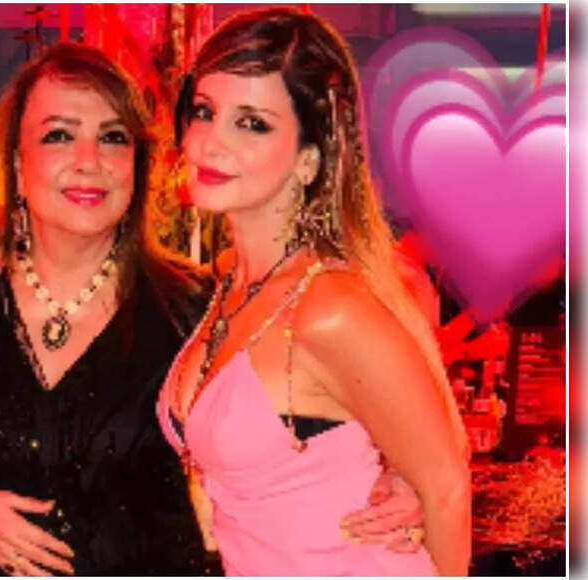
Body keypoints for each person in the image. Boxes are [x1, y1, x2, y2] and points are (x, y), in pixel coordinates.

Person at [0, 42, 422, 577]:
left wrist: (401, 474)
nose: (88, 161)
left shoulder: (197, 309)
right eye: (59, 135)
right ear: (16, 159)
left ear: (138, 162)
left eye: (112, 138)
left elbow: (312, 421)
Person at [158, 7, 470, 576]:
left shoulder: (329, 308)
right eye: (204, 112)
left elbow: (446, 488)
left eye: (251, 123)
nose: (208, 143)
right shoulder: (231, 281)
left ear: (308, 158)